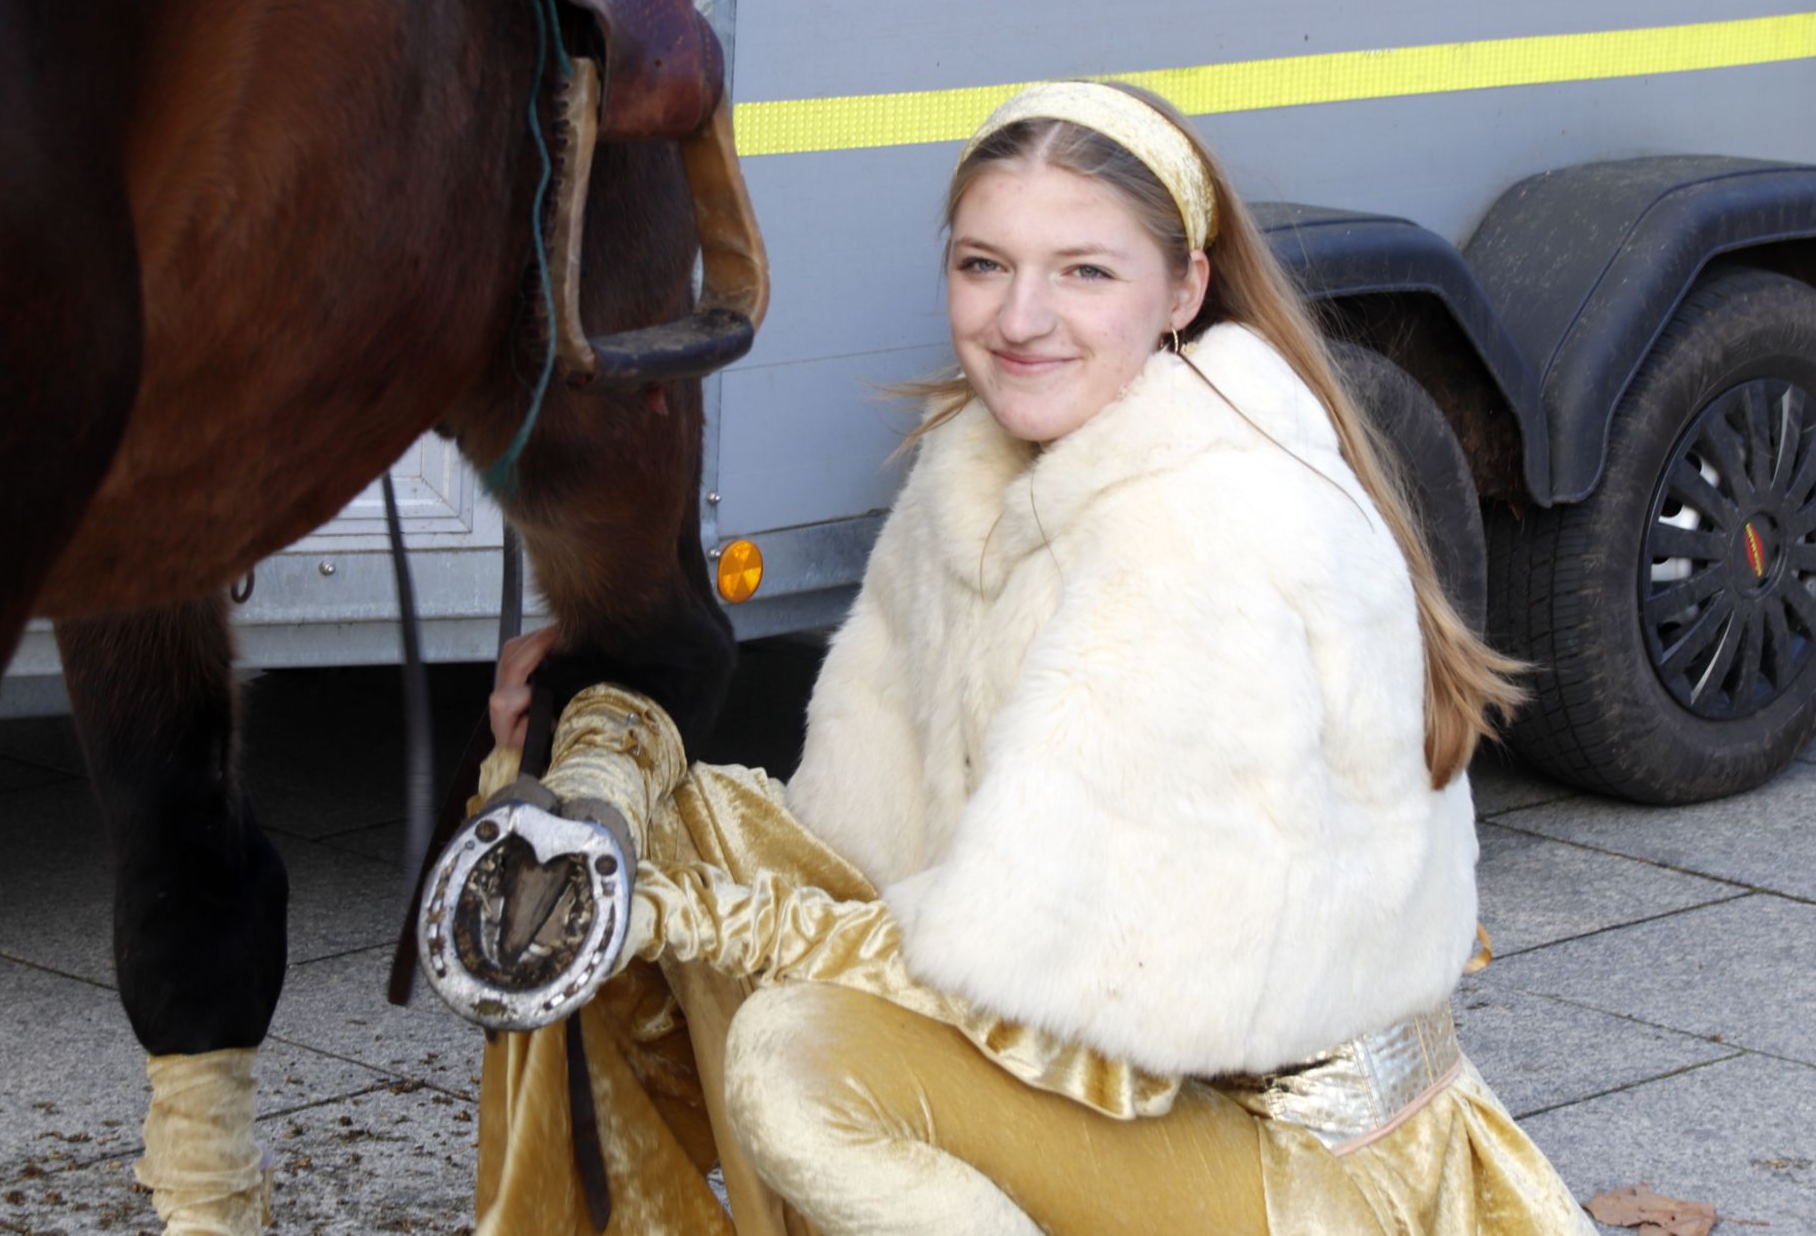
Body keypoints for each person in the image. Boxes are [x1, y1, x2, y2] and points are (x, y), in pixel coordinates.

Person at [468, 80, 1595, 1234]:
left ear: (1185, 288)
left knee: (801, 1061)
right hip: (1115, 1083)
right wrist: (606, 718)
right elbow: (865, 861)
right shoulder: (991, 474)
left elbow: (1056, 1009)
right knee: (551, 810)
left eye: (1085, 271)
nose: (1019, 317)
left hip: (1296, 1164)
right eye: (983, 264)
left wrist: (657, 912)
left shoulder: (1205, 530)